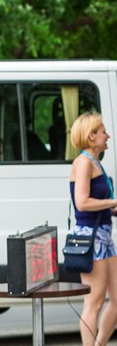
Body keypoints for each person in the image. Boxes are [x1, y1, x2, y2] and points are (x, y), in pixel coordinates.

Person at [68, 111, 117, 346]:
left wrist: (112, 208)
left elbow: (99, 205)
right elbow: (82, 202)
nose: (107, 135)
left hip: (104, 236)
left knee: (116, 301)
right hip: (91, 238)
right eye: (103, 131)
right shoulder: (83, 162)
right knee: (95, 302)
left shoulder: (96, 162)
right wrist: (114, 202)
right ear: (91, 136)